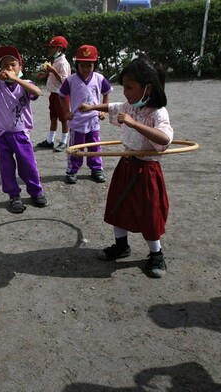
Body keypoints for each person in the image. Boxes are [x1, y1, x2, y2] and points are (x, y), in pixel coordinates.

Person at [78, 55, 173, 278]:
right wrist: (91, 106)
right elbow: (112, 106)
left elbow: (164, 140)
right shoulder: (130, 106)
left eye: (129, 87)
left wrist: (134, 123)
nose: (125, 93)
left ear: (147, 88)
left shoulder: (158, 113)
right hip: (126, 164)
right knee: (117, 206)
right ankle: (121, 245)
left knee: (149, 214)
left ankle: (156, 254)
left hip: (146, 170)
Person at [0, 46, 48, 213]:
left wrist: (16, 79)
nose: (9, 69)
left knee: (28, 165)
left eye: (12, 65)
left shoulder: (26, 85)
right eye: (4, 65)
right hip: (2, 134)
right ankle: (14, 196)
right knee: (6, 167)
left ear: (20, 66)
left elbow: (37, 92)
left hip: (21, 133)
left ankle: (36, 192)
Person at [58, 44, 112, 184]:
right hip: (77, 121)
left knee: (94, 145)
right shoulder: (70, 80)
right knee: (76, 147)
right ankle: (72, 170)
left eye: (90, 65)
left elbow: (106, 94)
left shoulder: (99, 78)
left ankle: (96, 169)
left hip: (93, 120)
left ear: (94, 65)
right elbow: (61, 95)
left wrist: (102, 110)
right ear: (77, 65)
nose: (86, 69)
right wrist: (67, 111)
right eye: (83, 65)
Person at [36, 35, 72, 152]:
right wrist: (46, 74)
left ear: (60, 49)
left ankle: (64, 141)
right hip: (53, 93)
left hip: (61, 94)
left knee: (64, 118)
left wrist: (53, 71)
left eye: (52, 47)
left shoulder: (63, 63)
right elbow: (55, 75)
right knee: (53, 117)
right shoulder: (56, 60)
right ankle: (50, 140)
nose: (49, 50)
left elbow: (65, 81)